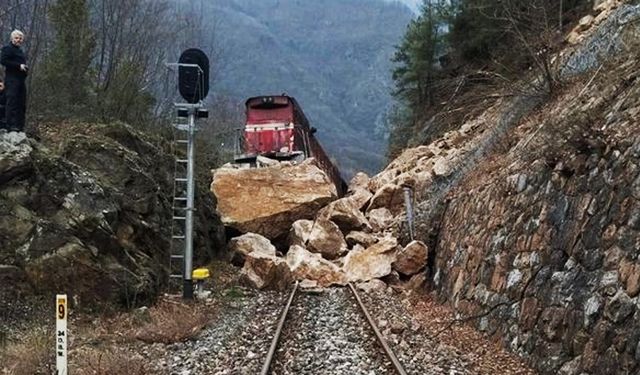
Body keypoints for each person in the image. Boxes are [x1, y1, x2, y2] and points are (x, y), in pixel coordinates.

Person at [0, 30, 28, 132]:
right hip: (12, 79)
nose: (18, 40)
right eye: (16, 38)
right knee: (12, 101)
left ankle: (19, 125)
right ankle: (10, 125)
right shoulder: (7, 48)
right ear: (12, 38)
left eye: (20, 38)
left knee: (21, 102)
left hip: (21, 80)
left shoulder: (20, 51)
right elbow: (3, 61)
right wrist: (18, 66)